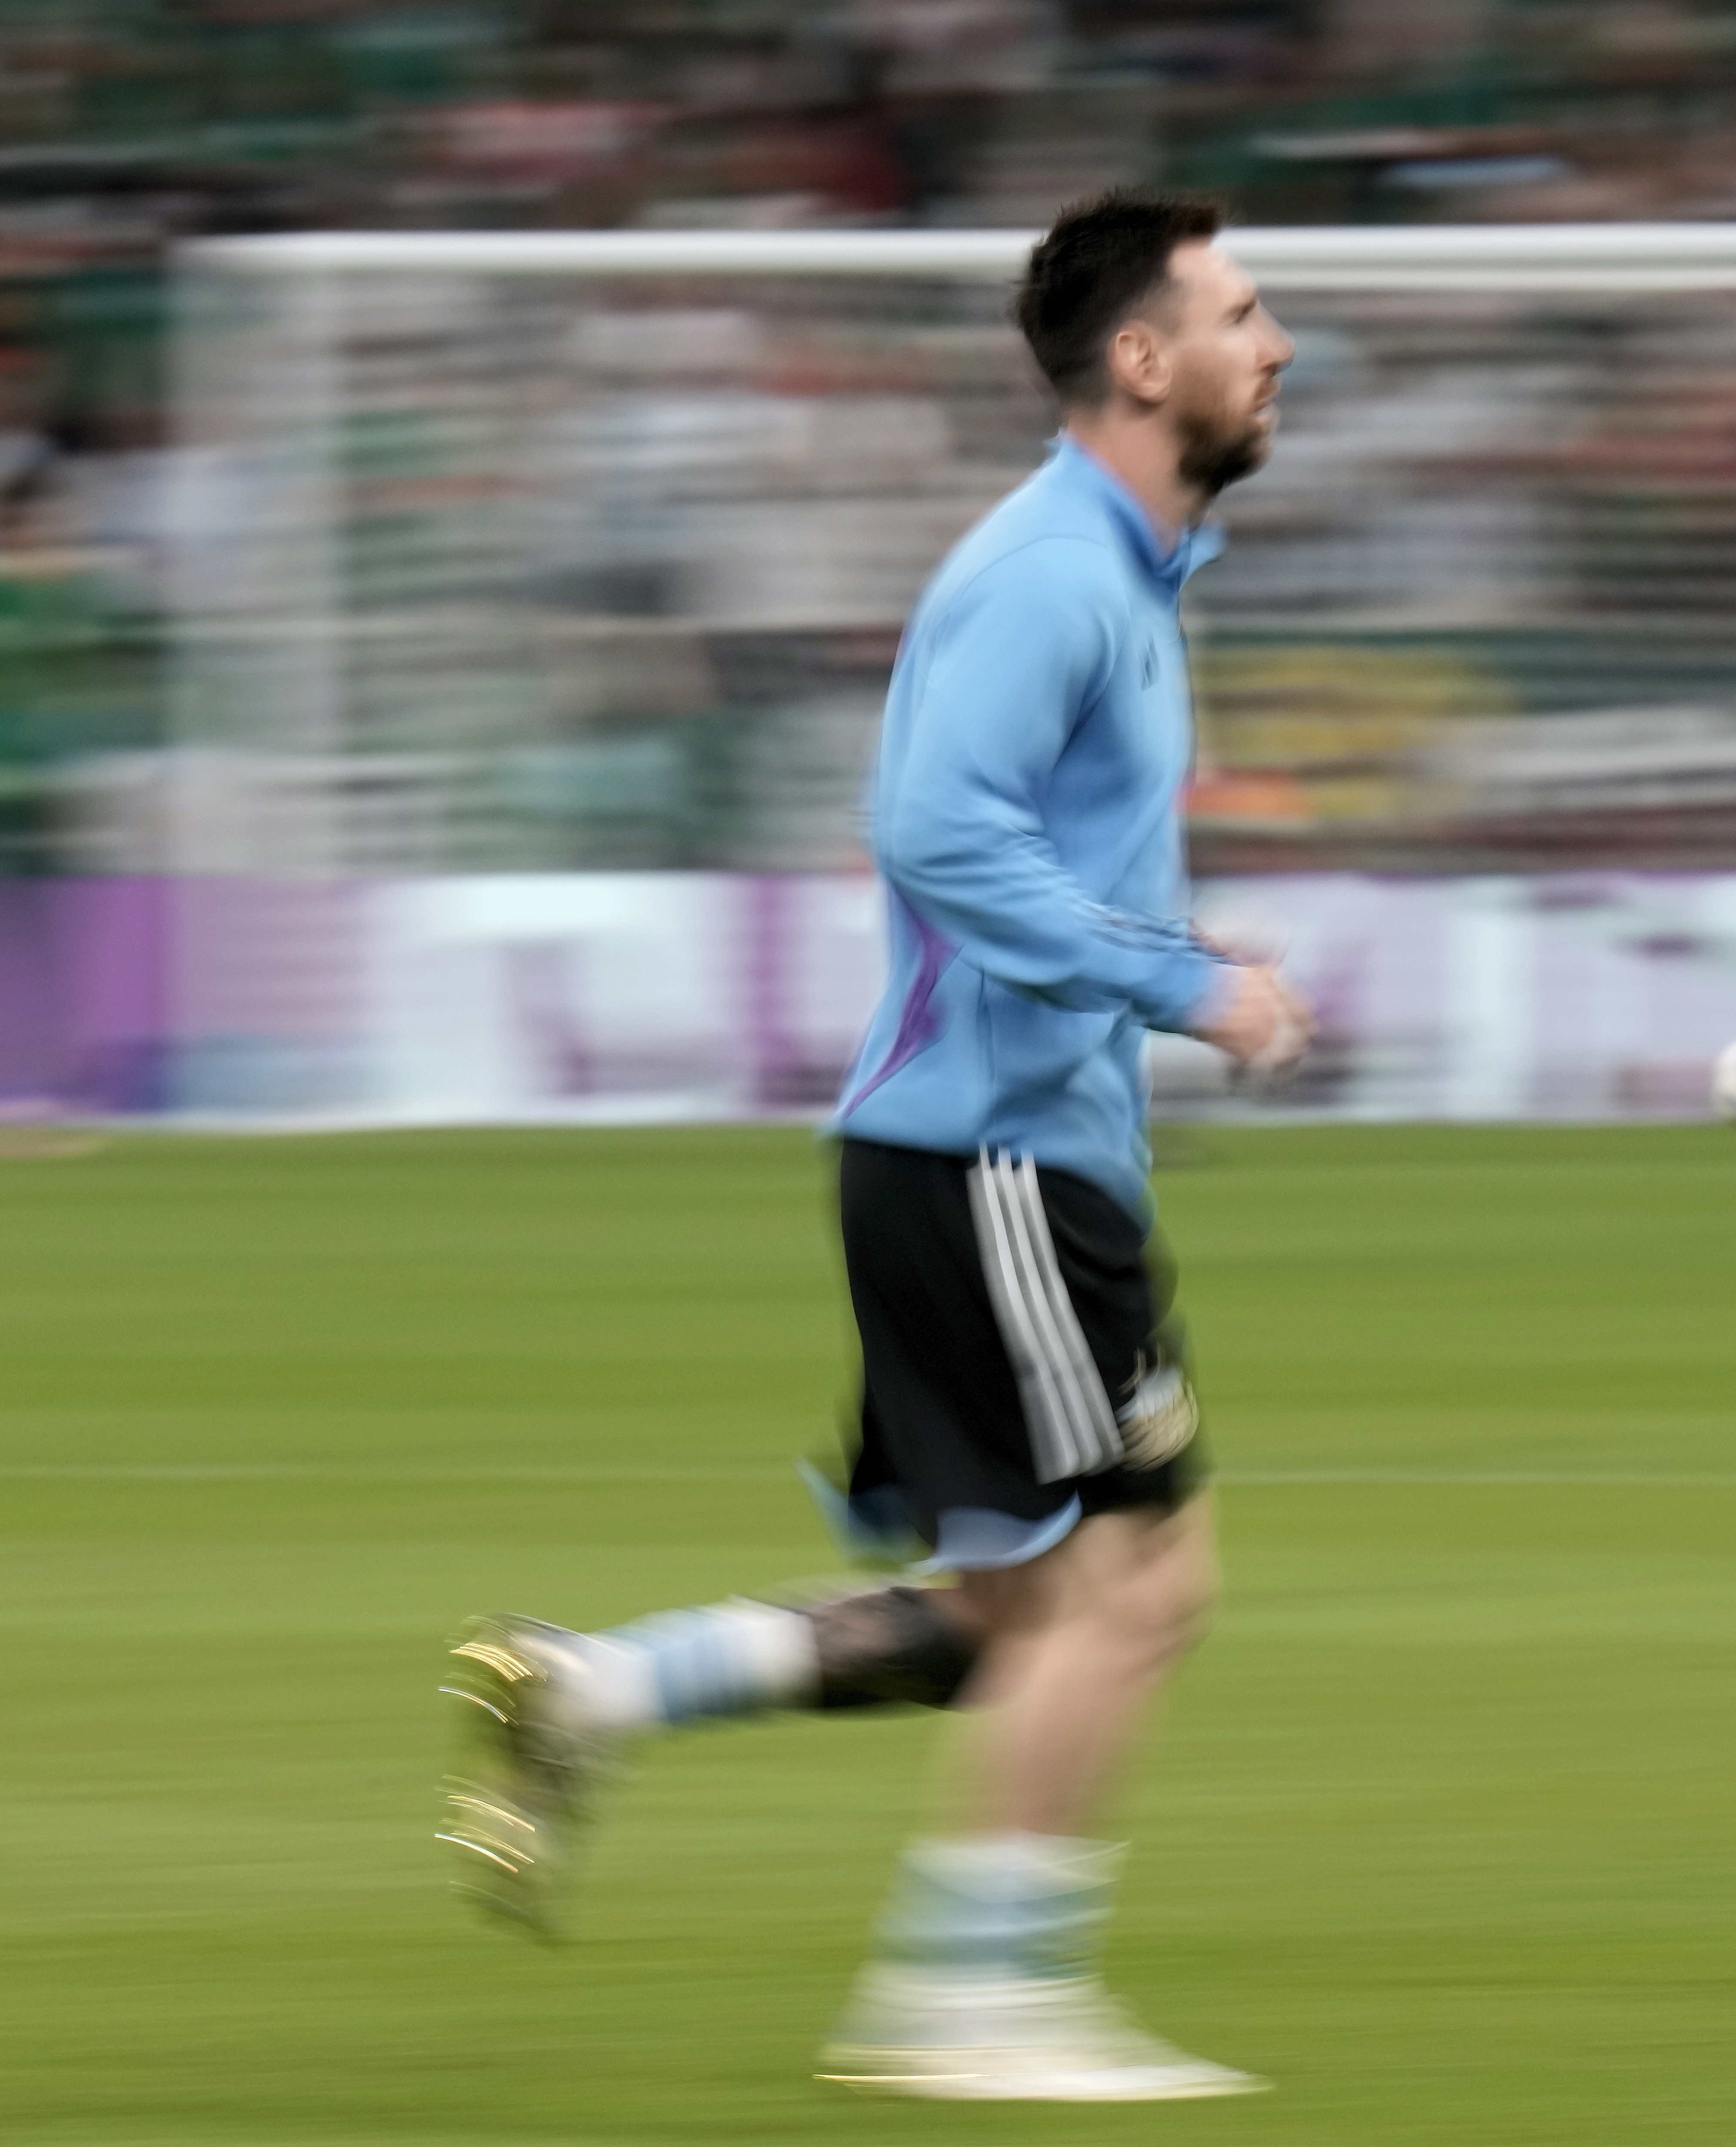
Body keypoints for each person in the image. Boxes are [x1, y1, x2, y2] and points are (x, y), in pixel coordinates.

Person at [437, 188, 1308, 2103]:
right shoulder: (1055, 572)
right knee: (1119, 1599)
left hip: (1010, 1164)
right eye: (1244, 313)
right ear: (1143, 361)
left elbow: (1021, 851)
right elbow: (935, 830)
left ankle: (605, 1684)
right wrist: (1180, 984)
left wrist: (1177, 960)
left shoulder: (1127, 571)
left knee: (1036, 1609)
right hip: (991, 1164)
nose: (1280, 343)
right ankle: (973, 1998)